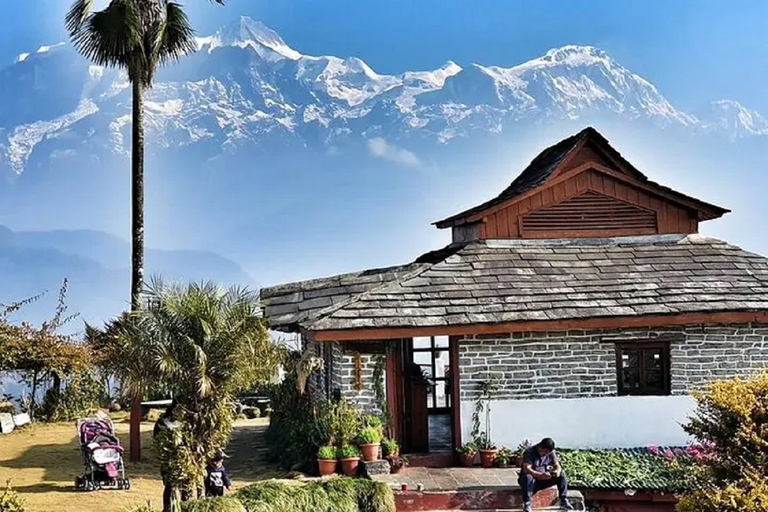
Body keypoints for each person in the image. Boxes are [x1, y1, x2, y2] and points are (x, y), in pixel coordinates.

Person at [518, 437, 574, 512]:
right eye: (545, 452)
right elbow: (526, 468)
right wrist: (539, 475)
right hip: (531, 480)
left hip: (543, 479)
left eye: (548, 453)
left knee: (561, 474)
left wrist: (557, 471)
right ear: (540, 447)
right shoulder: (530, 452)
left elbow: (557, 465)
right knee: (528, 477)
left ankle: (563, 499)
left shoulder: (551, 453)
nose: (546, 454)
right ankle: (527, 503)